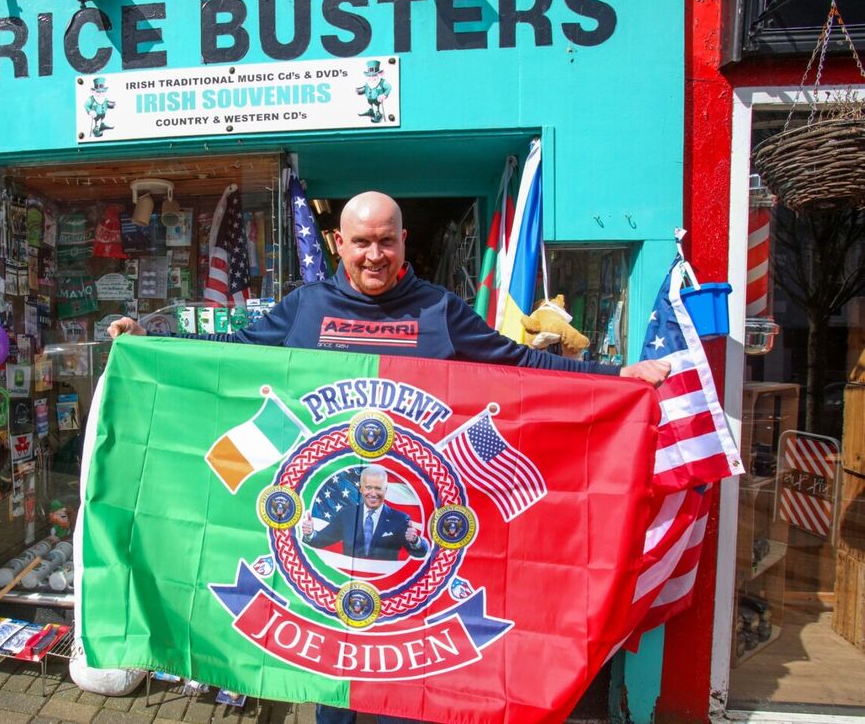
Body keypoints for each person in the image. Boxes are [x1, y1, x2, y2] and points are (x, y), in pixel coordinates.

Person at [108, 190, 670, 724]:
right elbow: (233, 357)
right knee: (331, 687)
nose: (374, 255)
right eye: (361, 242)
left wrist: (613, 376)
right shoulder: (307, 308)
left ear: (404, 240)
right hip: (326, 537)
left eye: (386, 241)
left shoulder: (439, 311)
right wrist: (149, 341)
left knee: (398, 689)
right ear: (338, 244)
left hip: (410, 546)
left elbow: (521, 367)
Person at [302, 466, 428, 561]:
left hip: (382, 586)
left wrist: (415, 540)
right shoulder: (346, 515)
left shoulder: (400, 519)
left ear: (385, 490)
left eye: (378, 488)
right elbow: (320, 540)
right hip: (350, 581)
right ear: (361, 489)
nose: (373, 493)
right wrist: (310, 533)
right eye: (368, 488)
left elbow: (420, 552)